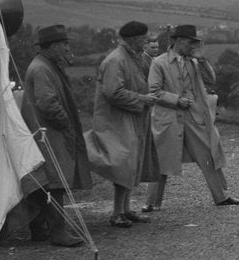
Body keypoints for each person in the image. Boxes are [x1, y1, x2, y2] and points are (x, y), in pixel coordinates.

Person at [146, 24, 239, 209]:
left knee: (208, 154)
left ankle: (221, 197)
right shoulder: (159, 62)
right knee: (162, 158)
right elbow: (154, 91)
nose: (192, 46)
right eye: (189, 42)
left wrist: (203, 59)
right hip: (168, 118)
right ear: (177, 41)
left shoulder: (194, 62)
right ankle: (151, 203)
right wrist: (176, 100)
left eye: (194, 42)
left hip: (193, 117)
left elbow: (210, 80)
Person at [19, 24, 90, 247]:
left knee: (48, 182)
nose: (67, 48)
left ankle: (40, 230)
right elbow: (47, 102)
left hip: (46, 133)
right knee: (55, 183)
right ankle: (58, 233)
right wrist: (65, 123)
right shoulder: (41, 68)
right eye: (64, 44)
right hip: (48, 134)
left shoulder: (46, 65)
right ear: (53, 46)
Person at [85, 21, 159, 228]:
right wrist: (142, 99)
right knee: (123, 164)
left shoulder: (133, 58)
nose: (145, 43)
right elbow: (113, 92)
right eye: (143, 40)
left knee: (131, 163)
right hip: (116, 121)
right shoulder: (116, 60)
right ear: (133, 39)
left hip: (131, 118)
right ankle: (117, 212)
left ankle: (126, 209)